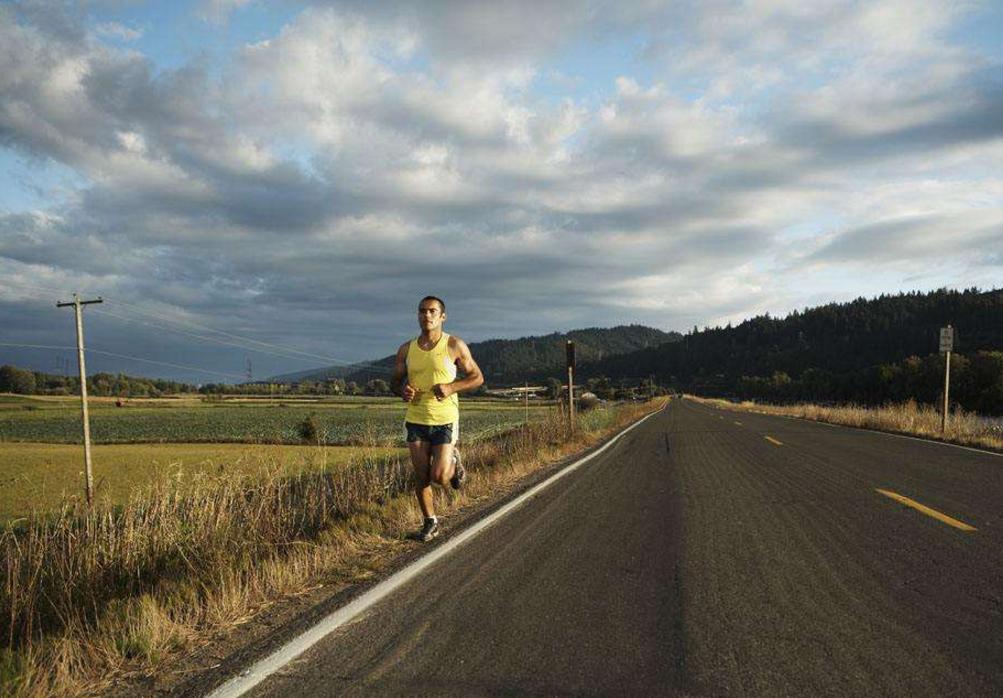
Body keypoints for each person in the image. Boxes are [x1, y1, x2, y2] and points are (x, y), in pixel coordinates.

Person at [392, 295, 484, 542]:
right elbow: (394, 383)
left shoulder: (454, 345)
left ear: (442, 316)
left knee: (440, 477)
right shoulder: (406, 349)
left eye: (432, 311)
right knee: (421, 475)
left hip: (444, 419)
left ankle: (454, 461)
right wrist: (403, 390)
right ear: (418, 315)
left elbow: (477, 377)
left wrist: (452, 388)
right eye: (422, 311)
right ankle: (430, 522)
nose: (427, 315)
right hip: (416, 419)